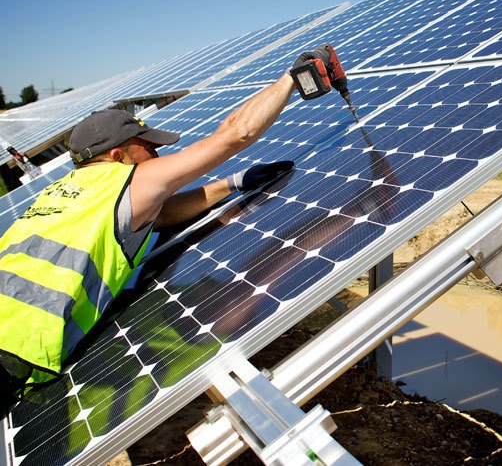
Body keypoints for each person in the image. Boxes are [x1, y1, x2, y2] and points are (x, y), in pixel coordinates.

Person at [0, 45, 338, 406]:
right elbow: (234, 135)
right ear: (117, 156)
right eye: (147, 148)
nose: (157, 156)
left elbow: (160, 216)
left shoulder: (63, 192)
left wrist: (232, 184)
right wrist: (292, 77)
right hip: (16, 346)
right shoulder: (121, 180)